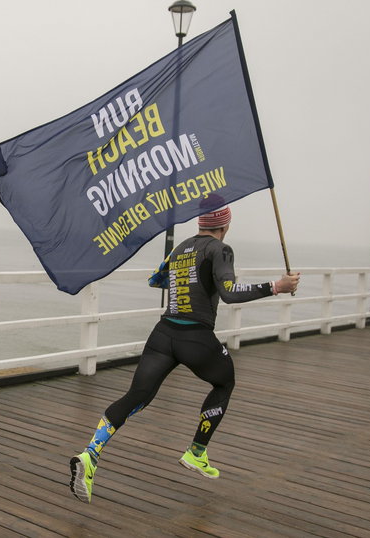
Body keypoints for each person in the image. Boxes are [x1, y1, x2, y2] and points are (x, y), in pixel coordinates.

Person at [69, 204, 300, 503]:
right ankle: (196, 452)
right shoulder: (221, 249)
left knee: (136, 397)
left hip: (164, 335)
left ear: (201, 223)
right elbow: (229, 292)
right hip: (195, 337)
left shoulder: (180, 249)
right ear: (224, 226)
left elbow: (155, 279)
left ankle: (90, 454)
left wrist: (184, 281)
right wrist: (276, 286)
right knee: (224, 382)